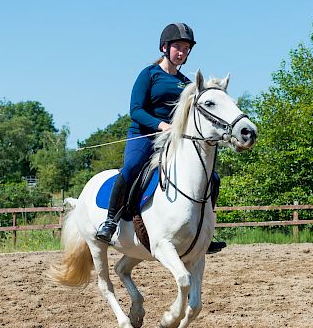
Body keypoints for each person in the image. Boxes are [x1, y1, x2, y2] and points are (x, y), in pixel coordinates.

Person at [95, 22, 226, 254]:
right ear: (165, 48)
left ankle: (203, 231)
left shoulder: (187, 83)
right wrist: (161, 124)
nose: (182, 52)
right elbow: (135, 110)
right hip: (144, 134)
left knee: (212, 177)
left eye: (186, 49)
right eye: (178, 47)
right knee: (132, 167)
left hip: (174, 140)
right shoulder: (149, 74)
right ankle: (110, 221)